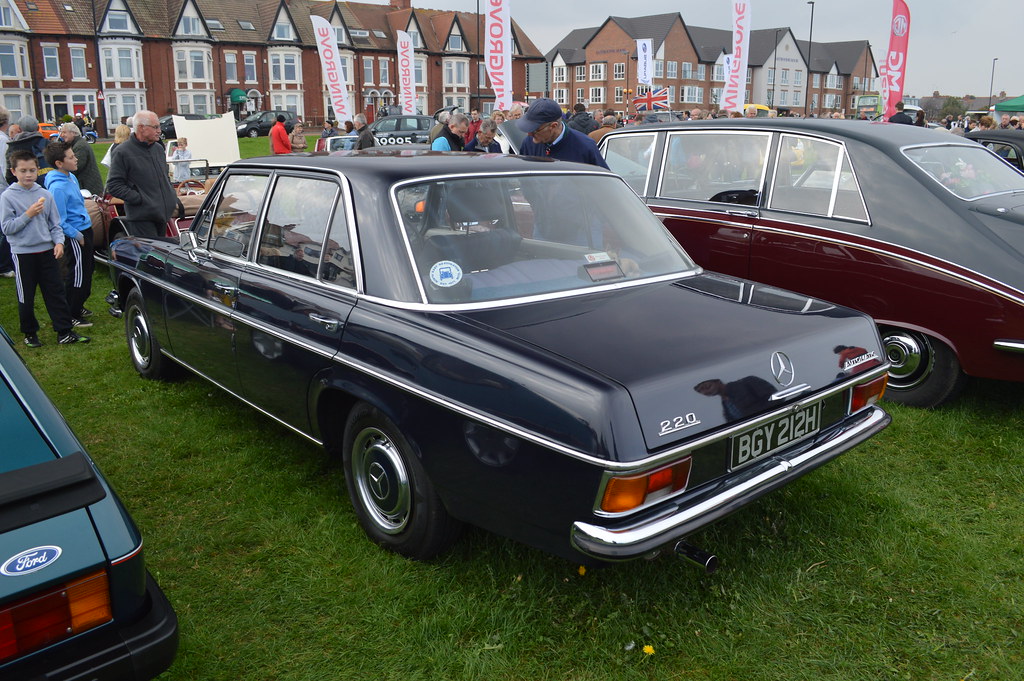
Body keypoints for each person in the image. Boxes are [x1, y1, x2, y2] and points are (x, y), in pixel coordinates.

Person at [0, 149, 88, 346]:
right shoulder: (8, 197)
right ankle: (30, 333)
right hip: (23, 254)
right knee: (26, 295)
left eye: (32, 170)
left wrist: (59, 242)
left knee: (55, 292)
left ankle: (64, 331)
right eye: (23, 171)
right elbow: (7, 228)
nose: (28, 175)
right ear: (14, 172)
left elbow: (55, 224)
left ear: (38, 170)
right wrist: (28, 214)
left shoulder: (45, 194)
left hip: (47, 252)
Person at [43, 141, 94, 327]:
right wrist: (77, 235)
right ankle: (71, 312)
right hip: (75, 235)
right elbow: (59, 219)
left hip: (85, 228)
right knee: (77, 273)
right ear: (59, 163)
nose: (76, 159)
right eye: (71, 157)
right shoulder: (57, 188)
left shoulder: (71, 176)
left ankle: (78, 303)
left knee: (88, 269)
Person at [104, 110, 178, 238]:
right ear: (141, 128)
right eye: (155, 127)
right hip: (142, 218)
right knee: (149, 250)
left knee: (162, 249)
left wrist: (170, 194)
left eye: (159, 127)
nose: (159, 131)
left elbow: (164, 177)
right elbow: (114, 185)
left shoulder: (158, 149)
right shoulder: (123, 152)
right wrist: (140, 199)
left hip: (162, 215)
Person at [515, 98, 609, 168]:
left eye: (535, 130)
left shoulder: (585, 146)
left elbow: (603, 182)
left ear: (553, 126)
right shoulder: (528, 143)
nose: (529, 134)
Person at [58, 122, 103, 196]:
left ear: (73, 133)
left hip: (89, 188)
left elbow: (75, 167)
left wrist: (61, 172)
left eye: (64, 132)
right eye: (61, 133)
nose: (62, 135)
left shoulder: (80, 146)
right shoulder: (76, 144)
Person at [0, 105, 13, 277]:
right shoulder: (3, 140)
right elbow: (5, 168)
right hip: (2, 188)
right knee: (6, 226)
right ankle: (4, 265)